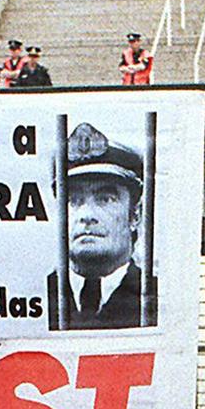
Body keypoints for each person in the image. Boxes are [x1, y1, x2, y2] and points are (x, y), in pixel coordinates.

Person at [46, 122, 159, 331]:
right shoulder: (38, 295)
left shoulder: (158, 297)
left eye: (105, 199)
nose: (87, 216)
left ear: (135, 215)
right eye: (73, 200)